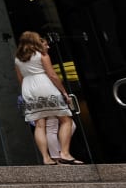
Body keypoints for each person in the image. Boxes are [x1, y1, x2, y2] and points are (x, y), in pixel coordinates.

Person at [15, 31, 82, 165]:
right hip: (44, 87)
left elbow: (20, 79)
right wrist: (64, 92)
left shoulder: (17, 59)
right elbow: (52, 75)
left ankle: (46, 158)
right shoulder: (42, 55)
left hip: (28, 90)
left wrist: (27, 93)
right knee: (66, 120)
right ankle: (64, 153)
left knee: (40, 125)